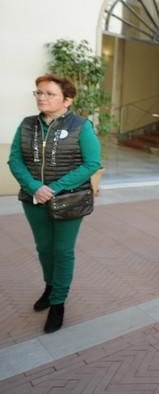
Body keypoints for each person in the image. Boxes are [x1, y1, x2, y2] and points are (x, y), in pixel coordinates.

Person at [7, 73, 101, 333]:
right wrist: (35, 187)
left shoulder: (81, 126)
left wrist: (55, 188)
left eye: (49, 93)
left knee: (62, 250)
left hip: (69, 200)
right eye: (39, 92)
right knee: (44, 248)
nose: (42, 97)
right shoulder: (27, 125)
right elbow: (15, 160)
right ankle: (49, 287)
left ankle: (58, 303)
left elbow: (92, 163)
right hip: (33, 199)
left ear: (67, 100)